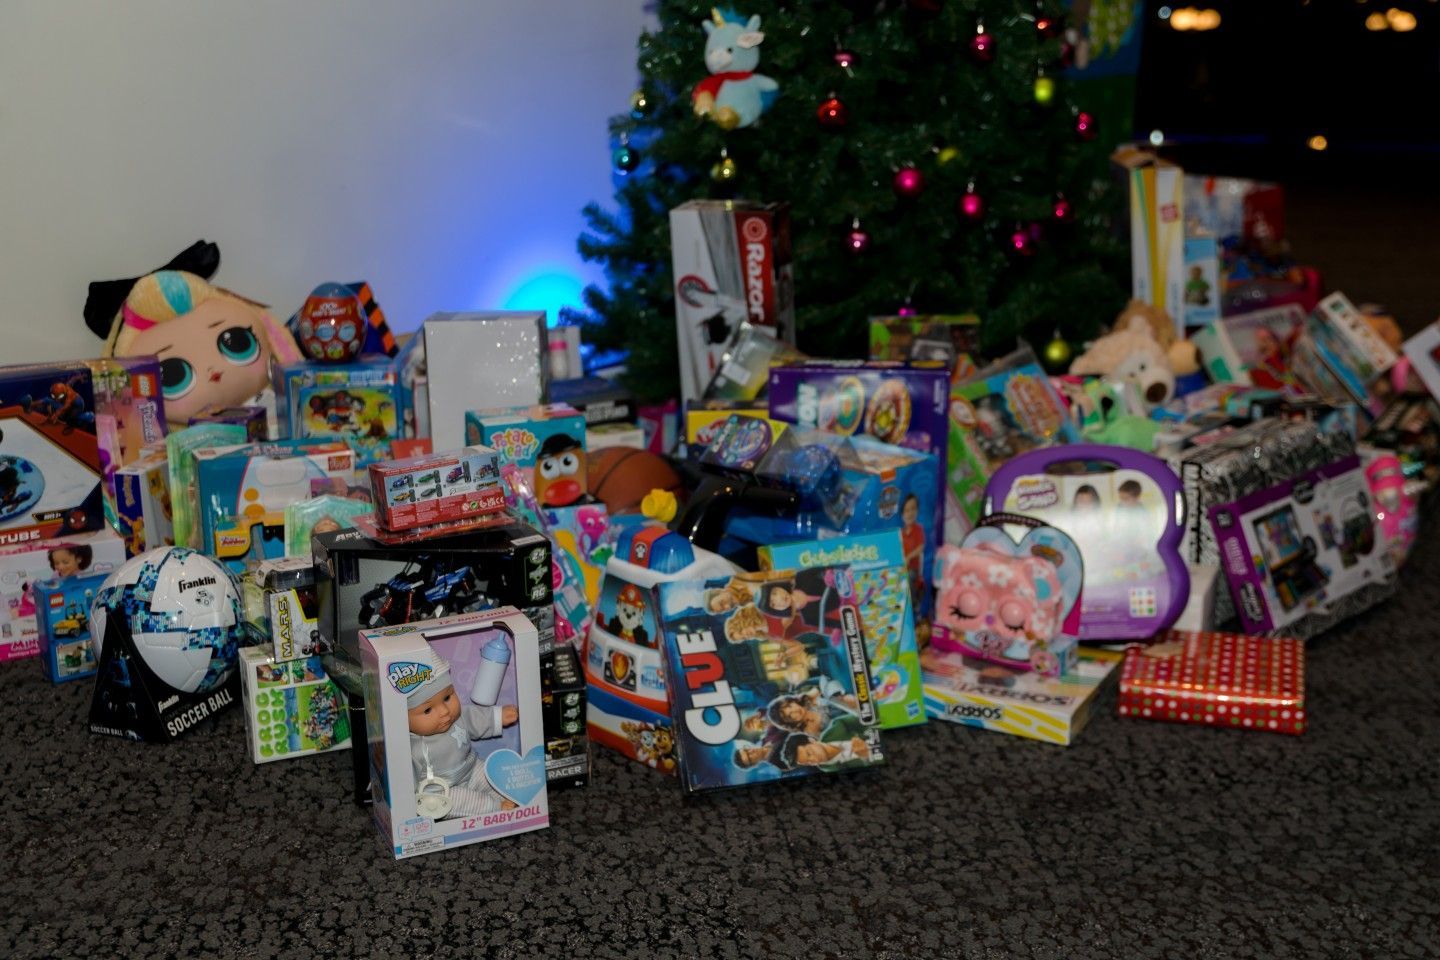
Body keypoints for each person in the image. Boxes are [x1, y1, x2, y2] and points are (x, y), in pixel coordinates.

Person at [406, 656, 518, 819]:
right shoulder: (411, 747)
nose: (444, 711)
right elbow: (405, 781)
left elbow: (476, 718)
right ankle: (496, 808)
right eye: (428, 710)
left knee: (493, 775)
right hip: (440, 790)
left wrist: (499, 716)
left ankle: (509, 797)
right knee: (464, 802)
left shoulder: (458, 719)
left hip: (471, 770)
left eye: (447, 698)